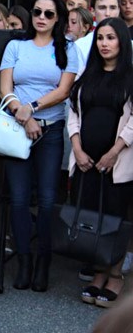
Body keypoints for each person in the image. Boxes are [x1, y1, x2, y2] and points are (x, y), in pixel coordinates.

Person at [0, 0, 78, 292]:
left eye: (49, 14)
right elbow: (5, 88)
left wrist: (32, 109)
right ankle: (24, 261)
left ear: (57, 18)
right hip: (17, 130)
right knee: (18, 200)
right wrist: (25, 116)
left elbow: (63, 91)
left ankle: (43, 262)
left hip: (52, 130)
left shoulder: (68, 49)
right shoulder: (15, 46)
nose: (41, 18)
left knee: (47, 201)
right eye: (37, 12)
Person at [68, 17, 133, 308]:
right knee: (92, 216)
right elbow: (73, 115)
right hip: (87, 162)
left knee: (116, 217)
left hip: (117, 163)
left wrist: (115, 150)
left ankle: (115, 275)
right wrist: (78, 149)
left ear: (122, 41)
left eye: (110, 38)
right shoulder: (87, 76)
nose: (104, 44)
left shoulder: (130, 77)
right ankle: (98, 273)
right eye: (100, 38)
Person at [75, 0, 120, 71]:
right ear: (92, 11)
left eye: (113, 8)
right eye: (102, 8)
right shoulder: (80, 46)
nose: (108, 13)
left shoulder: (131, 45)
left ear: (119, 10)